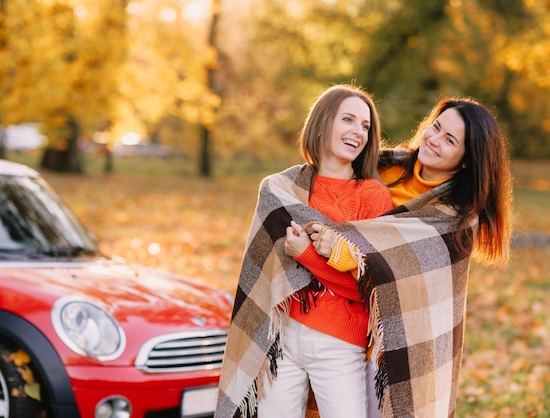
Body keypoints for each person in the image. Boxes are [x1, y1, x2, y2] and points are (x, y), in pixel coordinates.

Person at [288, 97, 513, 417]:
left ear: (467, 160)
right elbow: (322, 187)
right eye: (436, 127)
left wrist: (343, 247)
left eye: (449, 140)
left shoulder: (456, 219)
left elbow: (405, 268)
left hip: (391, 342)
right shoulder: (379, 166)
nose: (433, 140)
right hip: (334, 319)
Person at [215, 84, 393, 418]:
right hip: (282, 338)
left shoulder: (372, 196)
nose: (358, 131)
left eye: (366, 126)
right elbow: (263, 274)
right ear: (323, 123)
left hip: (340, 345)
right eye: (349, 120)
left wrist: (307, 256)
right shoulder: (285, 190)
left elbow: (369, 290)